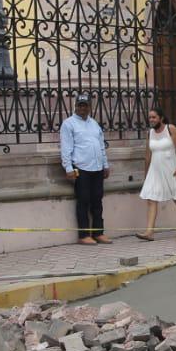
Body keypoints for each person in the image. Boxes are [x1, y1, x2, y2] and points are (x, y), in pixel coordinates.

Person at [59, 94, 110, 245]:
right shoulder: (69, 124)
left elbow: (101, 146)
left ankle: (98, 233)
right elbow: (66, 148)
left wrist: (105, 165)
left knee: (97, 201)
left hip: (97, 168)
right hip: (81, 168)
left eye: (85, 105)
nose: (82, 108)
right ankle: (84, 235)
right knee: (83, 201)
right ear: (75, 106)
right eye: (80, 105)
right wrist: (68, 168)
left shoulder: (94, 124)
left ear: (90, 107)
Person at [136, 108, 176, 241]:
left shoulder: (170, 129)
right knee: (151, 199)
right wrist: (146, 174)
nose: (151, 120)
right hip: (155, 171)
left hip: (171, 169)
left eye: (154, 117)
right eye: (149, 117)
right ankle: (149, 232)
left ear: (161, 118)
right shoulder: (150, 133)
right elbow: (147, 155)